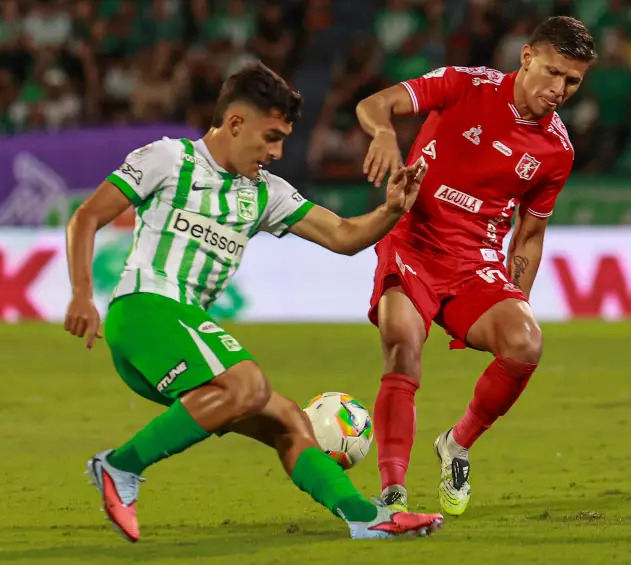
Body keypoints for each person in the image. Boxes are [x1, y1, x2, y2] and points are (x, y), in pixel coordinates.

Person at [64, 61, 442, 543]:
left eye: (283, 139)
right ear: (236, 124)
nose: (278, 151)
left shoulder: (265, 194)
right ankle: (119, 467)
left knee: (287, 420)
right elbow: (86, 218)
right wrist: (80, 293)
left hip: (182, 334)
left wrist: (391, 210)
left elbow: (345, 237)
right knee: (247, 383)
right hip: (145, 311)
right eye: (271, 137)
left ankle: (365, 517)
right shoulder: (169, 159)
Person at [355, 16, 597, 515]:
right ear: (527, 57)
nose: (559, 89)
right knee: (403, 346)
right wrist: (383, 134)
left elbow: (530, 233)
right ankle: (393, 492)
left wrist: (513, 302)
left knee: (526, 343)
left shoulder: (556, 150)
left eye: (572, 81)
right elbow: (374, 104)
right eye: (552, 72)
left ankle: (457, 443)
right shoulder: (466, 84)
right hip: (413, 241)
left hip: (476, 261)